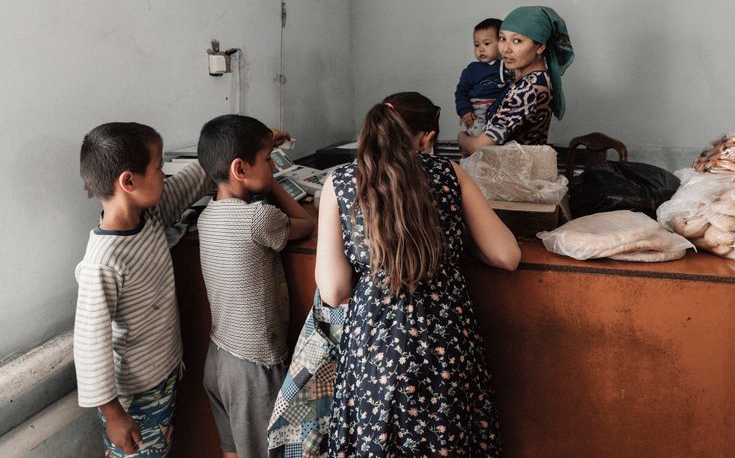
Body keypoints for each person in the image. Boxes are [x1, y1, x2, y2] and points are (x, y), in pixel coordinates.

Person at [315, 92, 521, 457]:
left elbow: (333, 291)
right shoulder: (449, 173)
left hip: (374, 344)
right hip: (444, 341)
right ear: (426, 137)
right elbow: (506, 255)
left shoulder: (342, 182)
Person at [74, 122, 214, 457]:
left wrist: (234, 144)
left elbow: (191, 181)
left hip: (163, 375)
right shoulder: (104, 263)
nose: (165, 176)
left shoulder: (149, 218)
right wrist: (114, 415)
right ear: (129, 181)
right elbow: (90, 347)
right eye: (159, 166)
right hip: (133, 397)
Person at [196, 114, 315, 458]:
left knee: (233, 449)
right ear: (240, 169)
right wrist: (273, 182)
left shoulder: (207, 217)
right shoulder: (259, 218)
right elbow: (307, 224)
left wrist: (262, 168)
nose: (272, 164)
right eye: (267, 160)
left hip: (218, 358)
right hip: (255, 365)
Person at [458, 6, 574, 156]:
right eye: (502, 39)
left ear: (539, 47)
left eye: (517, 41)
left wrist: (461, 138)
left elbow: (480, 146)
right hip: (515, 169)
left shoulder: (528, 88)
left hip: (515, 174)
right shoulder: (533, 78)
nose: (506, 49)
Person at [454, 18, 511, 137]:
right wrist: (465, 111)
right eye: (476, 45)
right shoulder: (472, 70)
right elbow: (461, 92)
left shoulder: (509, 66)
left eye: (487, 43)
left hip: (500, 114)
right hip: (478, 113)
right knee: (479, 137)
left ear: (502, 43)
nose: (481, 49)